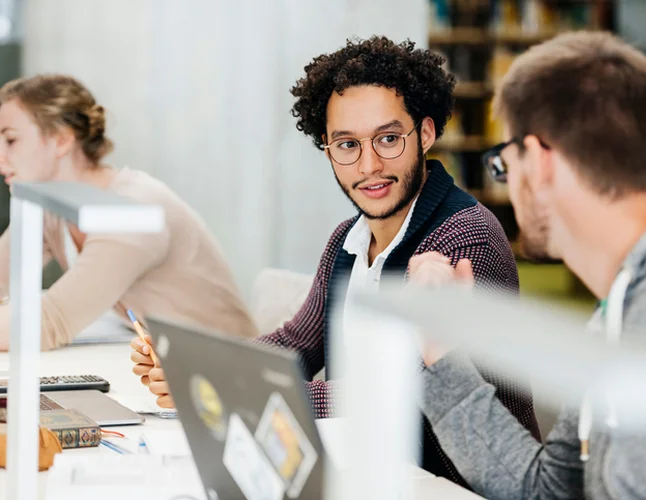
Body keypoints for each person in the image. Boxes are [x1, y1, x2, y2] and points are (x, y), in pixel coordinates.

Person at [131, 36, 540, 486]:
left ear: (425, 134)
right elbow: (296, 344)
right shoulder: (348, 239)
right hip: (367, 473)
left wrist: (234, 389)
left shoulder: (463, 239)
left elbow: (403, 398)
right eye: (347, 145)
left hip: (455, 487)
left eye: (388, 139)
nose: (368, 165)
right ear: (326, 146)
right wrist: (199, 369)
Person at [410, 31, 646, 499]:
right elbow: (546, 489)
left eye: (504, 165)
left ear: (539, 163)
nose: (508, 186)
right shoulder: (614, 316)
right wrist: (443, 352)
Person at [0, 74, 258, 357]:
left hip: (220, 372)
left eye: (11, 140)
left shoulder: (132, 210)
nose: (1, 155)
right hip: (156, 359)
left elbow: (49, 324)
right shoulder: (52, 204)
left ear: (61, 141)